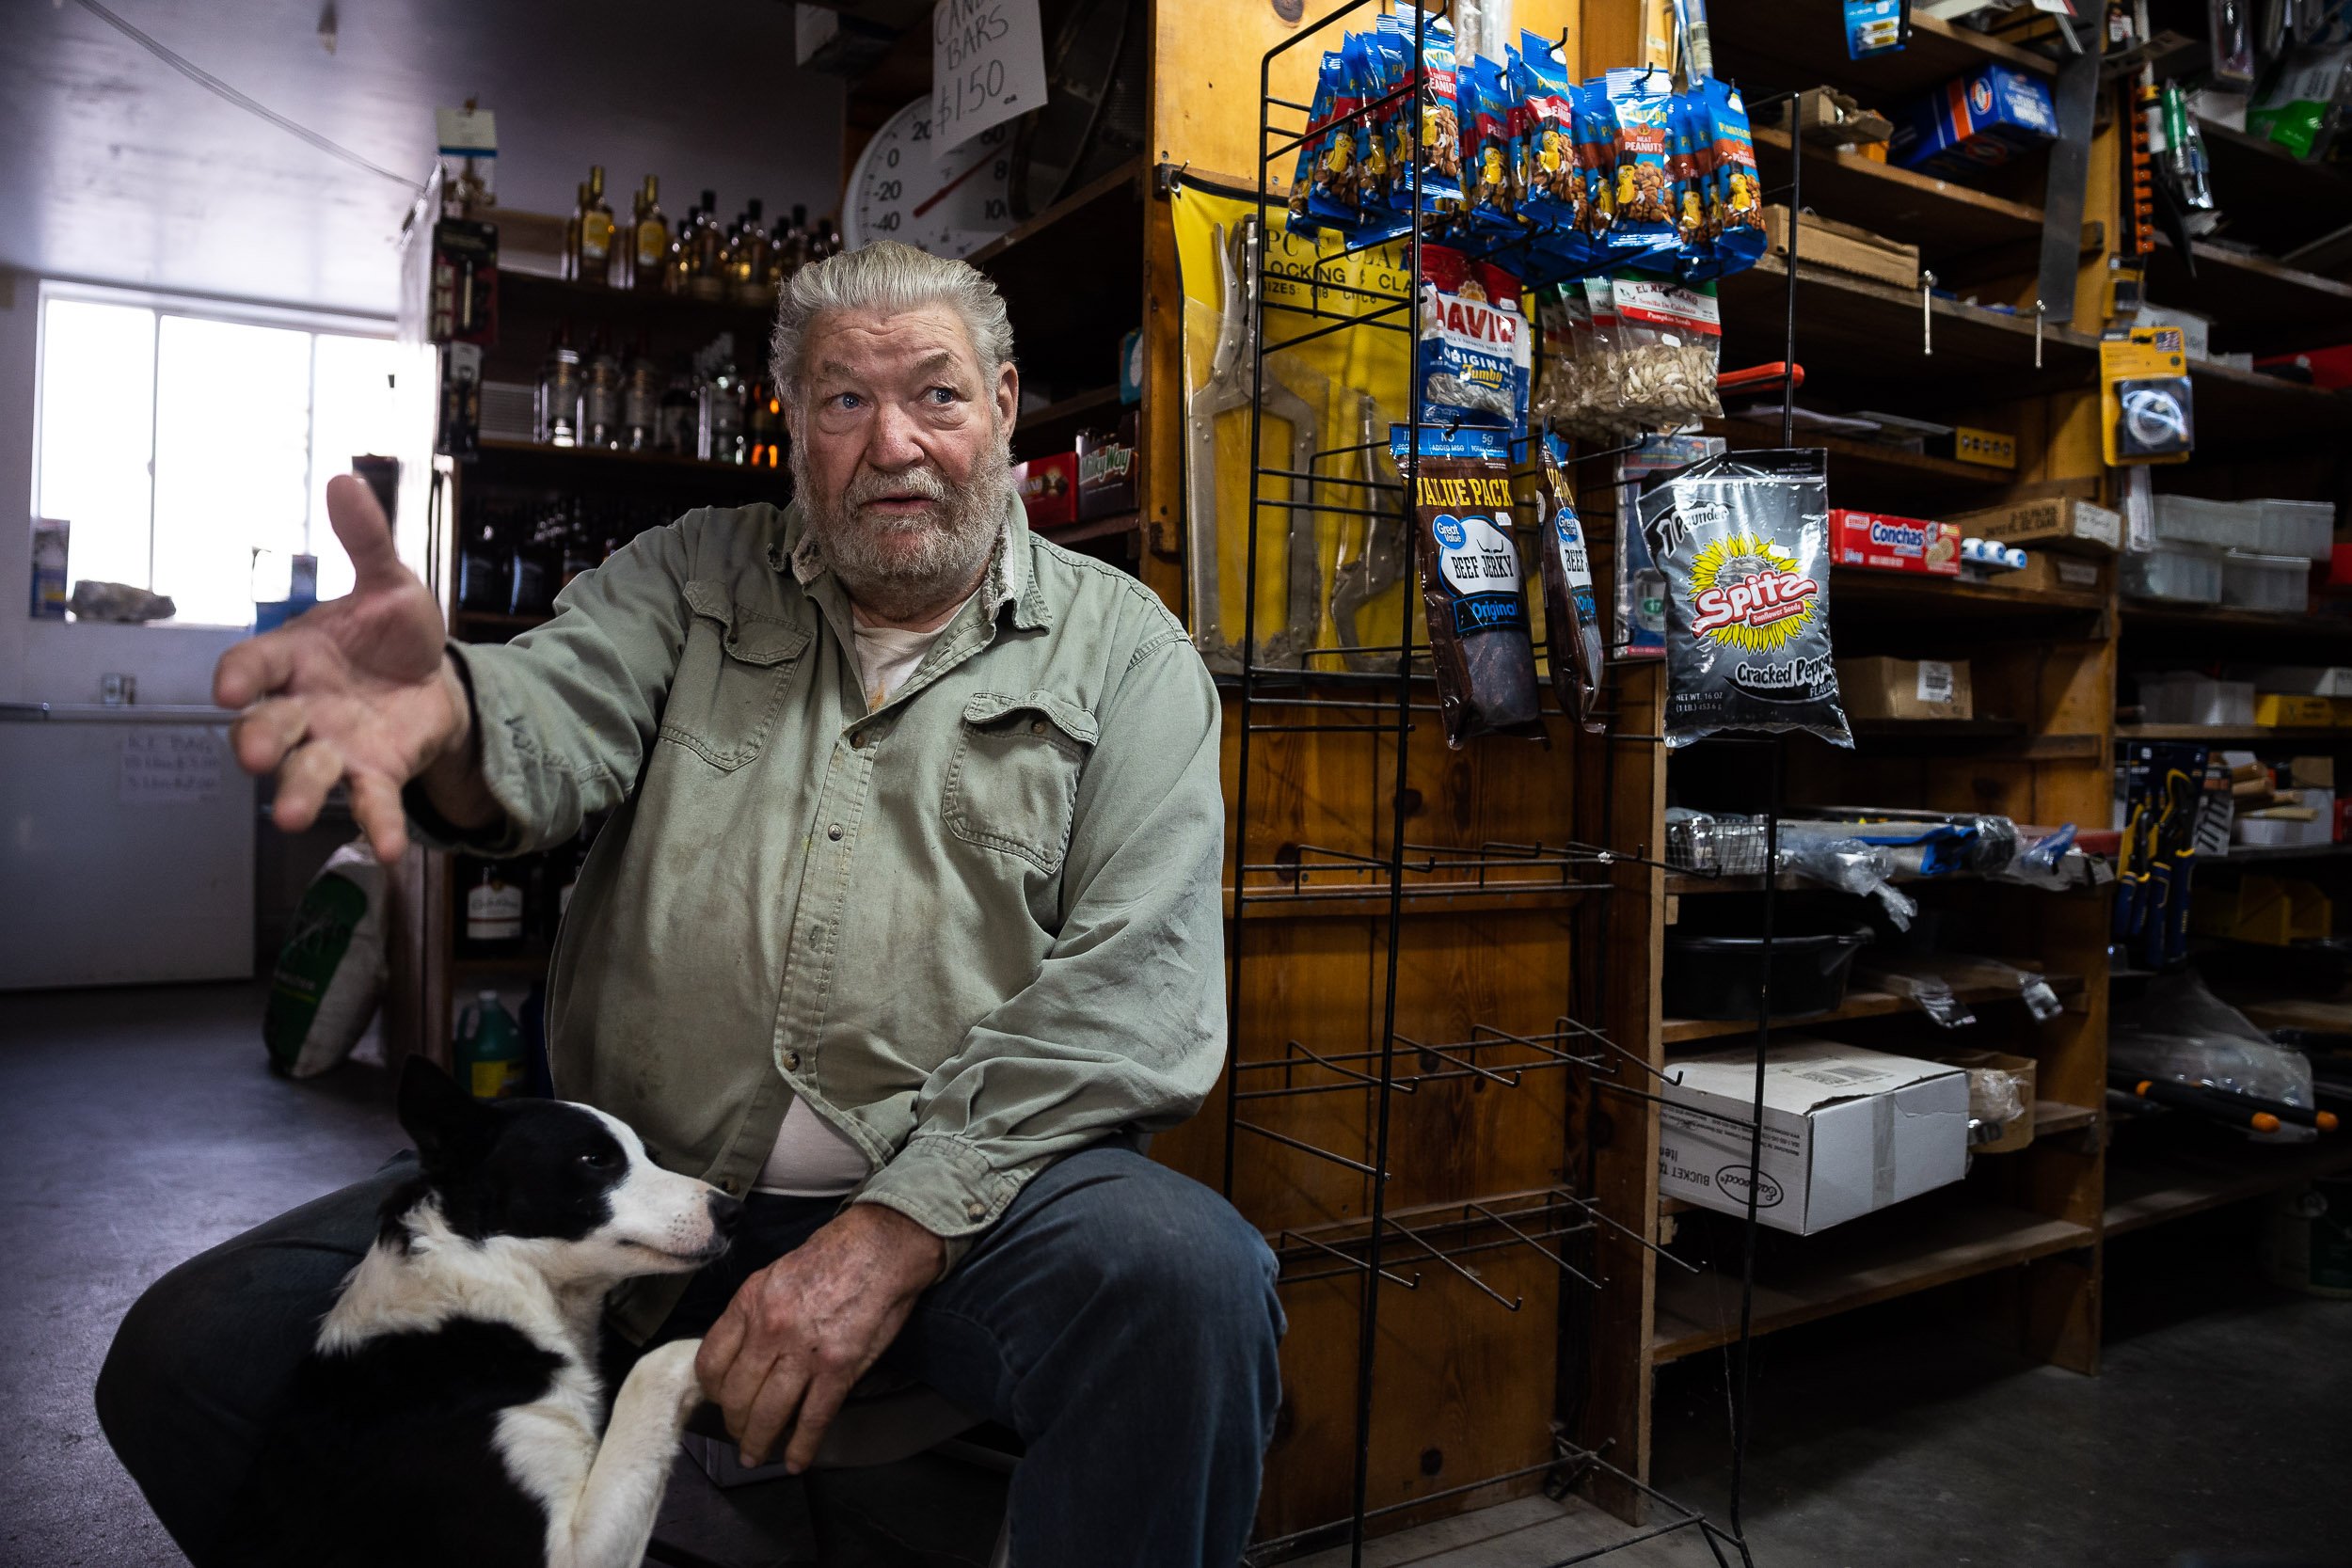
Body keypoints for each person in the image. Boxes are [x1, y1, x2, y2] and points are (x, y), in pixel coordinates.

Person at [97, 241, 1282, 1567]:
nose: (891, 442)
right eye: (843, 400)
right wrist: (454, 721)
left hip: (969, 1208)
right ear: (793, 426)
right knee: (190, 1355)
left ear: (1004, 406)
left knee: (1188, 1283)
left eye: (936, 396)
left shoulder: (1130, 656)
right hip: (631, 1184)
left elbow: (1136, 995)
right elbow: (555, 711)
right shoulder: (687, 579)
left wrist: (892, 1231)